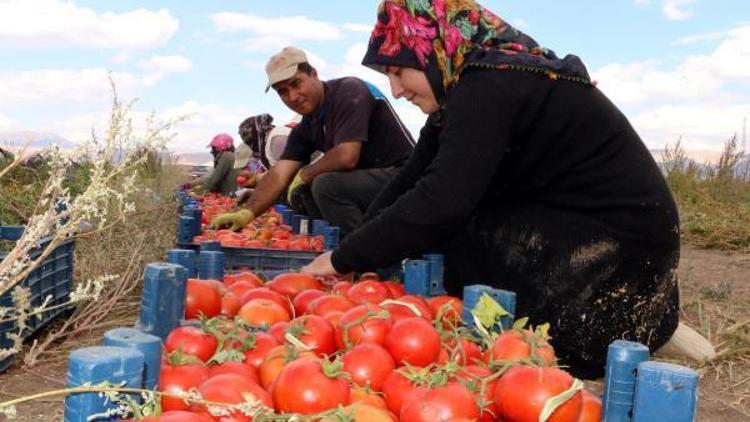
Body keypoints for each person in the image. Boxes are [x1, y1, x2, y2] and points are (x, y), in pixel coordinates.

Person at [301, 0, 682, 378]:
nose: (396, 91)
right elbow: (410, 180)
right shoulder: (463, 90)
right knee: (440, 227)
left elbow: (441, 200)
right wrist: (353, 256)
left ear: (435, 50)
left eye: (400, 72)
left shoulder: (490, 84)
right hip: (592, 241)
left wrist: (344, 259)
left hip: (617, 255)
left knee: (456, 227)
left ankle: (584, 334)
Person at [211, 46, 415, 236]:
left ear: (314, 74)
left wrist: (305, 173)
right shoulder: (306, 127)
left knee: (325, 185)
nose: (292, 96)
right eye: (283, 92)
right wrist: (247, 213)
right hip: (372, 184)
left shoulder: (349, 90)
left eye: (296, 83)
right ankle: (332, 245)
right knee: (300, 192)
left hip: (405, 177)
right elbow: (279, 174)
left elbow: (347, 155)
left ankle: (369, 260)